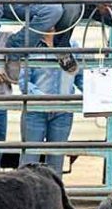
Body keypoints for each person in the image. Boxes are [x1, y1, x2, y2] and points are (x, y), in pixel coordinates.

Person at [18, 40, 77, 177]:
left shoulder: (73, 46)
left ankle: (53, 197)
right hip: (36, 110)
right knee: (29, 162)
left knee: (56, 163)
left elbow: (79, 76)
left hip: (62, 112)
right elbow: (23, 81)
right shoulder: (31, 46)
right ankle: (28, 197)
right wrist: (44, 99)